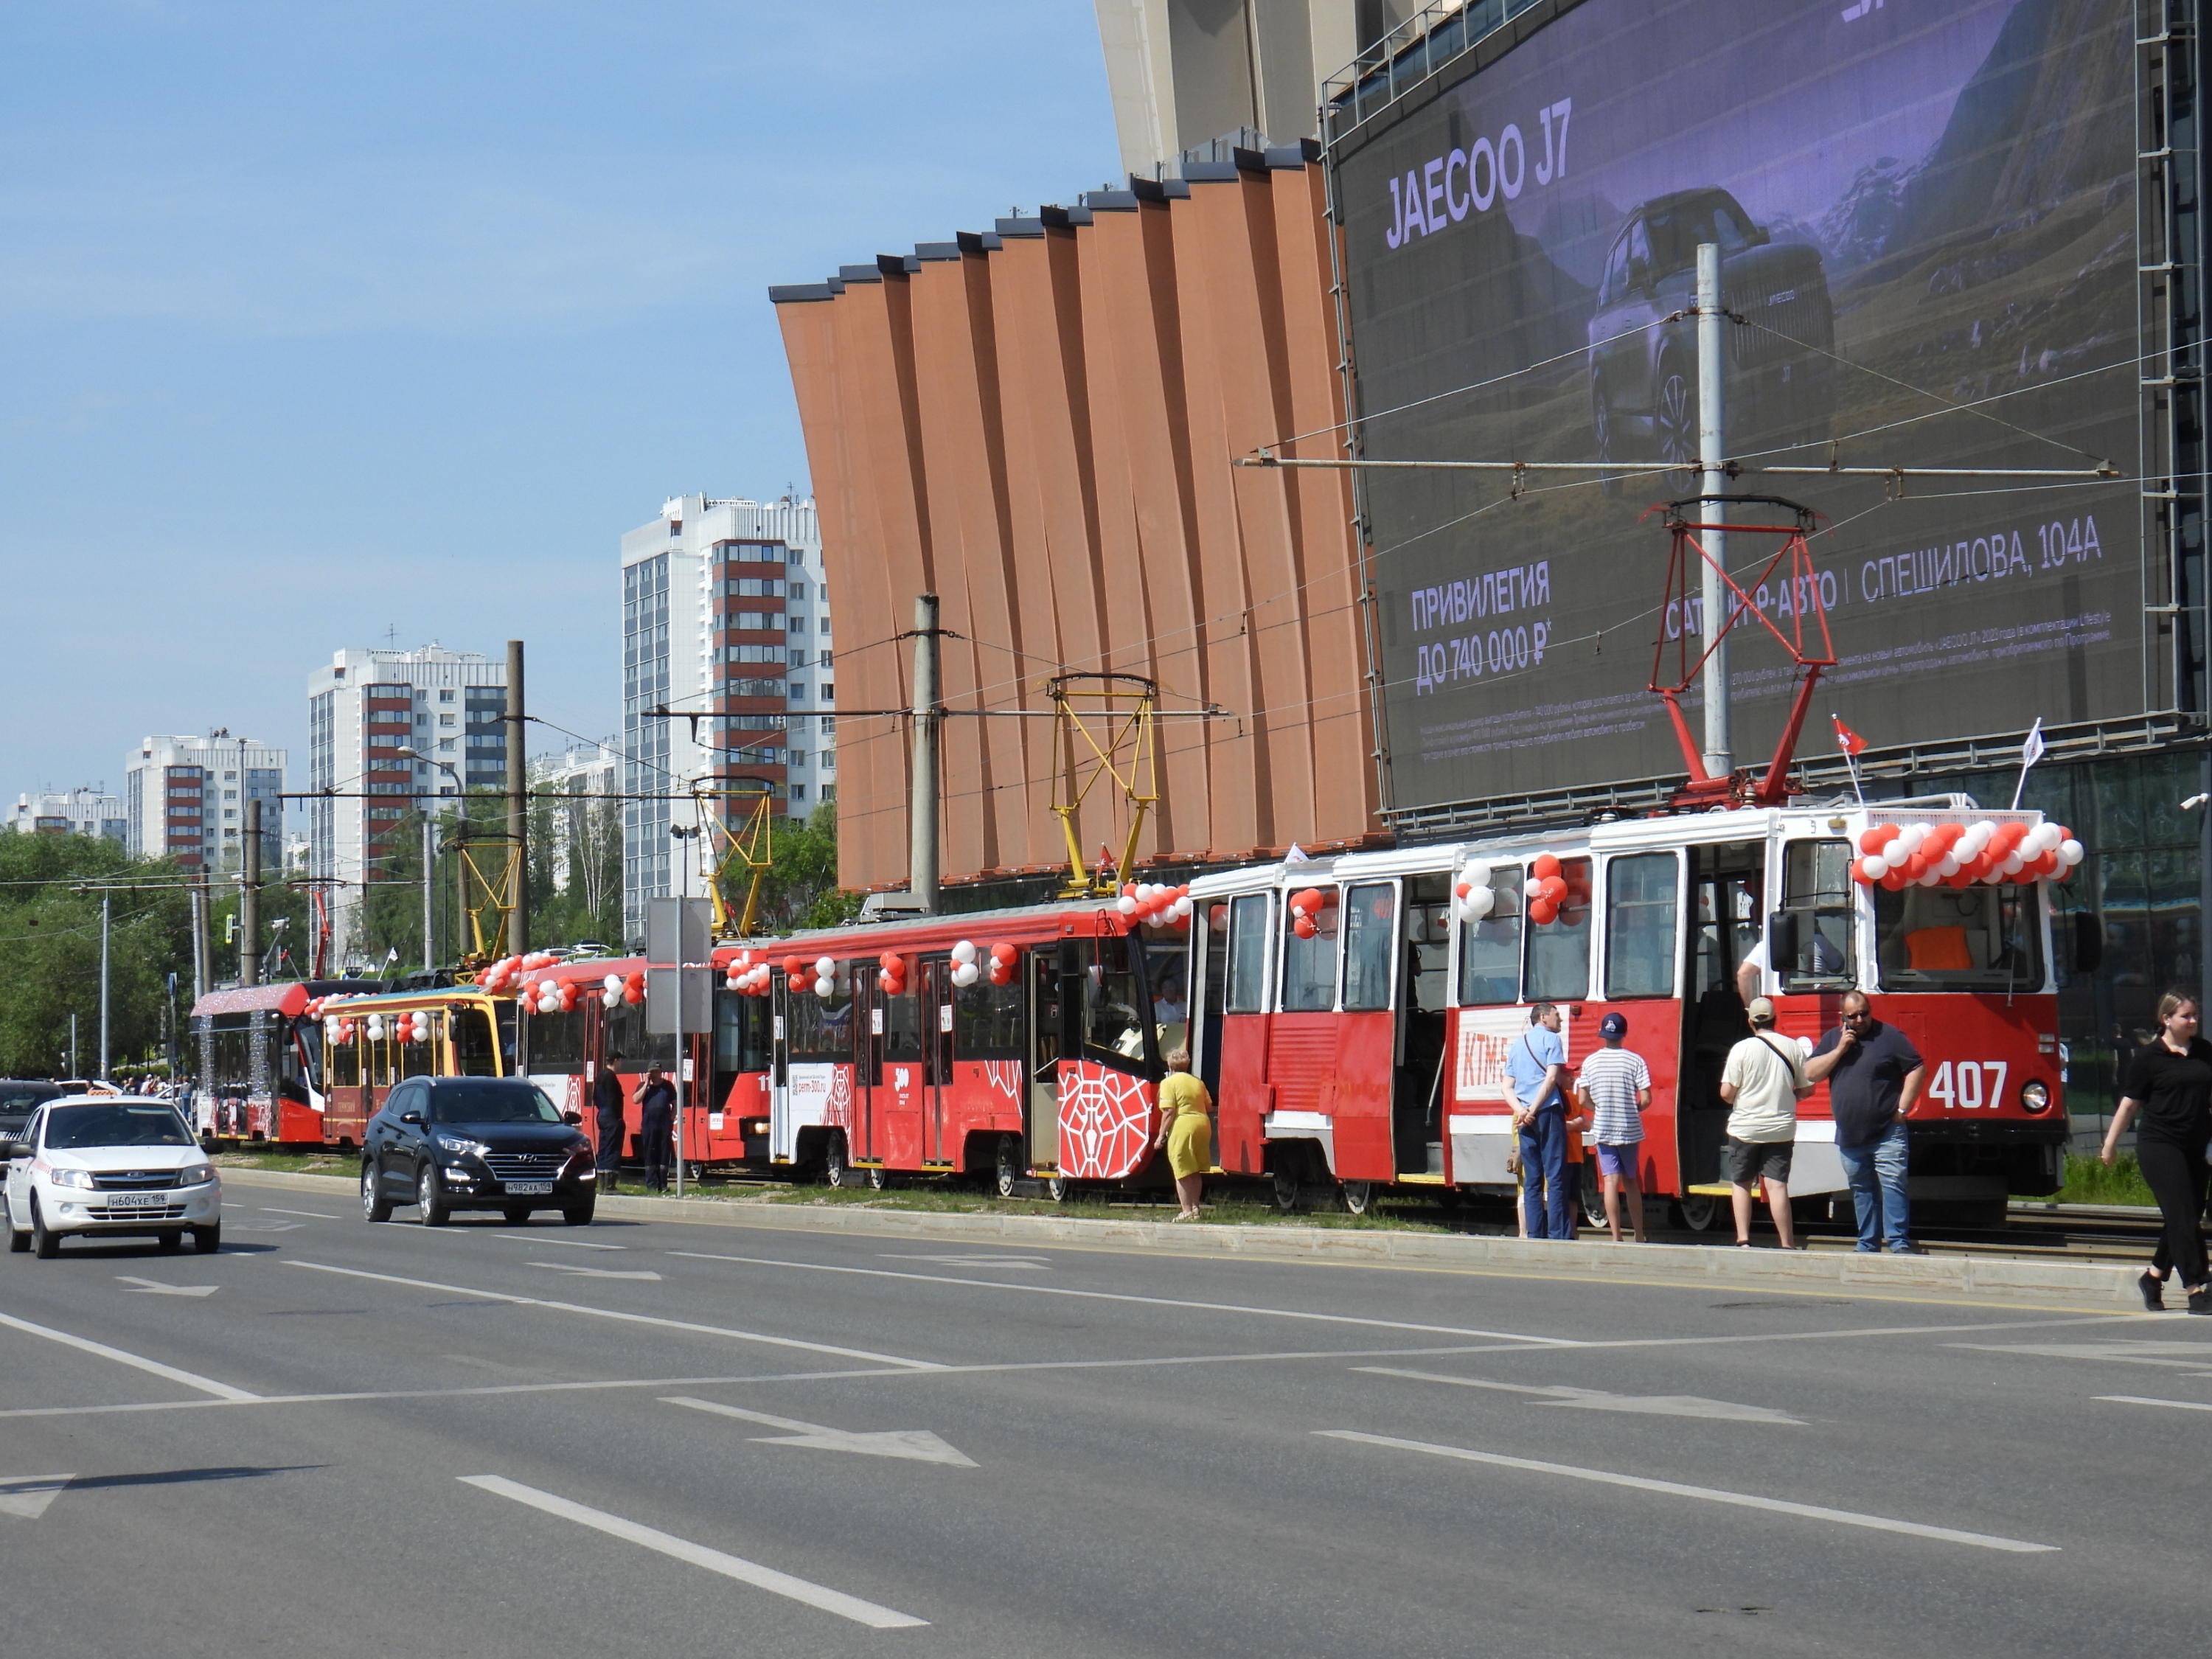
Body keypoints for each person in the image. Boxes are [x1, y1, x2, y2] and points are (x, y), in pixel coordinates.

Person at [2101, 989, 2212, 1314]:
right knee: (2180, 1212)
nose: (2193, 1021)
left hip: (2197, 1146)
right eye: (2185, 1016)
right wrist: (2110, 1145)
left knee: (2187, 1216)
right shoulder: (2149, 1058)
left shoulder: (2205, 1052)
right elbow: (2129, 1104)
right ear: (2166, 1019)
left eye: (2194, 1015)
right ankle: (2197, 1287)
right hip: (2160, 1144)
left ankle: (2153, 1277)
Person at [1806, 991, 1927, 1255]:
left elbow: (1917, 1067)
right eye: (1853, 1016)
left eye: (1864, 1013)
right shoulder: (1832, 1039)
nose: (1860, 1020)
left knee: (1893, 1184)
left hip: (1888, 1129)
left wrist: (1902, 1109)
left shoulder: (1890, 1036)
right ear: (1843, 1017)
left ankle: (1898, 1243)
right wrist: (1840, 1049)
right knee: (1861, 1190)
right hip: (1850, 1134)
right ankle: (1867, 1244)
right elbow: (1811, 1073)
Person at [1719, 996, 1812, 1248]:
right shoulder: (1793, 1047)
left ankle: (1743, 1240)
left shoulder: (1741, 1049)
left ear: (1750, 1022)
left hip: (1745, 1129)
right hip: (1781, 1129)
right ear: (1775, 1019)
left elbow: (1727, 1094)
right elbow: (1806, 1090)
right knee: (1777, 1186)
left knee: (1742, 1183)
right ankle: (1787, 1243)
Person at [1576, 1012, 1652, 1243]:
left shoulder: (1590, 1062)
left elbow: (1582, 1100)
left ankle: (1616, 1236)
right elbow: (1647, 1099)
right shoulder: (1635, 1060)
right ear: (1624, 1034)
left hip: (1604, 1129)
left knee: (1610, 1181)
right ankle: (1639, 1234)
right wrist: (1632, 1108)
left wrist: (1598, 1108)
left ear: (1603, 1034)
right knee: (1631, 1183)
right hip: (1629, 1129)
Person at [1503, 1003, 1575, 1239]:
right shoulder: (1552, 1041)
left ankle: (1534, 1234)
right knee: (1555, 1176)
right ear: (1543, 1017)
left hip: (1524, 1117)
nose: (1561, 1021)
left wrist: (1522, 1112)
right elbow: (1552, 1078)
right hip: (1547, 1112)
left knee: (1532, 1179)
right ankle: (1558, 1236)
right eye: (1557, 1016)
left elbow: (1506, 1087)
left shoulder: (1517, 1045)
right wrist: (1535, 1108)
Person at [1151, 1047, 1214, 1221]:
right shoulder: (1197, 1082)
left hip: (1183, 1126)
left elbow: (1169, 1111)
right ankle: (1195, 1208)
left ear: (1170, 1067)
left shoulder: (1168, 1083)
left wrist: (1160, 1136)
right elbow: (1209, 1106)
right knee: (1194, 1170)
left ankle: (1186, 1211)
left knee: (1182, 1170)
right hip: (1202, 1124)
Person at [637, 1066, 676, 1194]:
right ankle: (651, 1184)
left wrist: (672, 1116)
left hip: (664, 1124)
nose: (654, 1074)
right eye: (652, 1072)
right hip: (649, 1125)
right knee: (650, 1154)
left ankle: (663, 1184)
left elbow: (675, 1103)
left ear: (660, 1073)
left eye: (656, 1072)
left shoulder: (668, 1086)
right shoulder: (644, 1086)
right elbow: (635, 1100)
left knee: (664, 1154)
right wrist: (646, 1085)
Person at [591, 1065, 625, 1194]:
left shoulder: (600, 1076)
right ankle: (610, 1186)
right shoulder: (611, 1077)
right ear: (617, 1061)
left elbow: (595, 1097)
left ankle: (602, 1185)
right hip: (612, 1117)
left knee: (603, 1149)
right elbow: (613, 1098)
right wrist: (618, 1117)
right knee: (613, 1148)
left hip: (602, 1115)